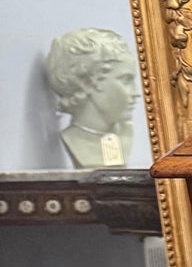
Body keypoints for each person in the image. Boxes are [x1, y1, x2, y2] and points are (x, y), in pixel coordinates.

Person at [45, 27, 141, 168]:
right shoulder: (72, 139)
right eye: (125, 80)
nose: (136, 92)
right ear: (87, 82)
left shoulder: (124, 133)